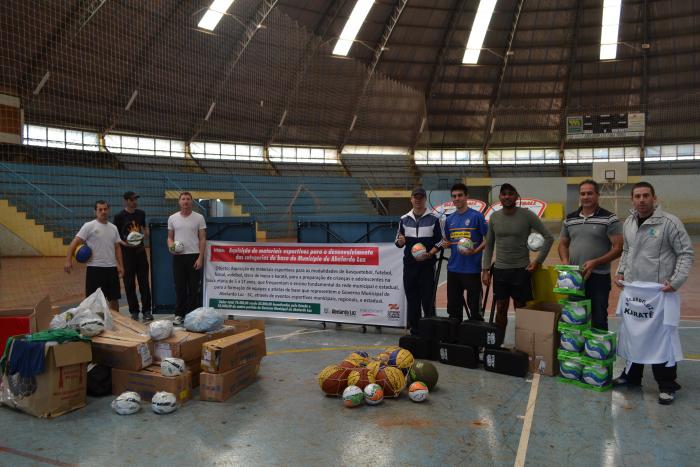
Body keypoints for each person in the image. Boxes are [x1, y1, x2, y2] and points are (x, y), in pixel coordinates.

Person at [613, 181, 694, 405]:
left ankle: (667, 385)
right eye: (637, 196)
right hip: (634, 291)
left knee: (661, 338)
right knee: (634, 333)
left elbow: (686, 253)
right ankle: (632, 376)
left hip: (660, 292)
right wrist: (621, 273)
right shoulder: (629, 221)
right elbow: (627, 251)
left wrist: (676, 281)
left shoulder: (670, 222)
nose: (641, 200)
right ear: (632, 199)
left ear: (654, 198)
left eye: (645, 195)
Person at [481, 183, 554, 332]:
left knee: (521, 309)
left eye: (510, 193)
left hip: (521, 271)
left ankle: (523, 344)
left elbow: (549, 236)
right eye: (504, 194)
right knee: (500, 308)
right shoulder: (494, 217)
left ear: (516, 196)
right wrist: (485, 269)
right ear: (500, 197)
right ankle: (498, 344)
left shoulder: (527, 215)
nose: (507, 197)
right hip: (501, 271)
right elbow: (489, 244)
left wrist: (538, 261)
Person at [558, 179, 623, 330]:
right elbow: (563, 243)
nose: (586, 197)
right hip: (574, 278)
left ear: (597, 195)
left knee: (599, 319)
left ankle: (598, 352)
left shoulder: (609, 218)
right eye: (583, 194)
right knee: (574, 320)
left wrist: (596, 262)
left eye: (590, 193)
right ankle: (577, 352)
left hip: (598, 277)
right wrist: (566, 262)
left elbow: (618, 247)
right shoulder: (570, 218)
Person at [395, 187, 443, 335]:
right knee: (412, 299)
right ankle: (415, 332)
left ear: (424, 200)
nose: (418, 200)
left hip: (427, 266)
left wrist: (431, 253)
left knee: (428, 300)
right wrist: (400, 242)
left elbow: (441, 241)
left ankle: (431, 332)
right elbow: (397, 242)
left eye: (421, 197)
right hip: (410, 267)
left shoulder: (434, 218)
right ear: (411, 199)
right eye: (415, 197)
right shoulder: (403, 219)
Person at [64, 200, 124, 311]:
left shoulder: (113, 228)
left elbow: (117, 247)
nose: (103, 211)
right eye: (100, 209)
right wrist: (68, 260)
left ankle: (117, 322)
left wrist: (120, 265)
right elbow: (75, 241)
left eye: (105, 209)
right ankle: (93, 323)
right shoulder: (89, 226)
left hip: (111, 268)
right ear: (95, 211)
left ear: (108, 210)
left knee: (114, 299)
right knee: (92, 301)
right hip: (94, 269)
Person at [443, 183, 488, 321]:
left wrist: (475, 250)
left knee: (475, 310)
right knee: (453, 310)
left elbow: (488, 240)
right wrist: (447, 244)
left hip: (472, 270)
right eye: (454, 196)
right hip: (453, 270)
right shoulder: (449, 219)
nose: (457, 198)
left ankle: (474, 340)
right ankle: (455, 339)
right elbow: (451, 243)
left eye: (460, 195)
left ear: (466, 196)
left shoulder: (477, 216)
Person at [167, 192, 207, 326]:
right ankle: (179, 315)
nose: (186, 201)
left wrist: (200, 257)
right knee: (180, 288)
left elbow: (202, 239)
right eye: (183, 199)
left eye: (188, 199)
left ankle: (192, 316)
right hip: (178, 258)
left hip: (194, 256)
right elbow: (170, 237)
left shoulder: (199, 218)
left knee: (194, 288)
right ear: (179, 202)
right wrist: (171, 247)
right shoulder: (172, 218)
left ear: (192, 202)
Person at [114, 191, 153, 322]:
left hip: (140, 253)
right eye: (131, 200)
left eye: (135, 199)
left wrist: (147, 232)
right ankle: (134, 312)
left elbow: (144, 228)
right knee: (129, 285)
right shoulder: (119, 216)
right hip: (127, 255)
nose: (134, 202)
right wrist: (125, 243)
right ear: (126, 201)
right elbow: (116, 236)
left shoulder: (141, 213)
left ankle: (147, 311)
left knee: (144, 284)